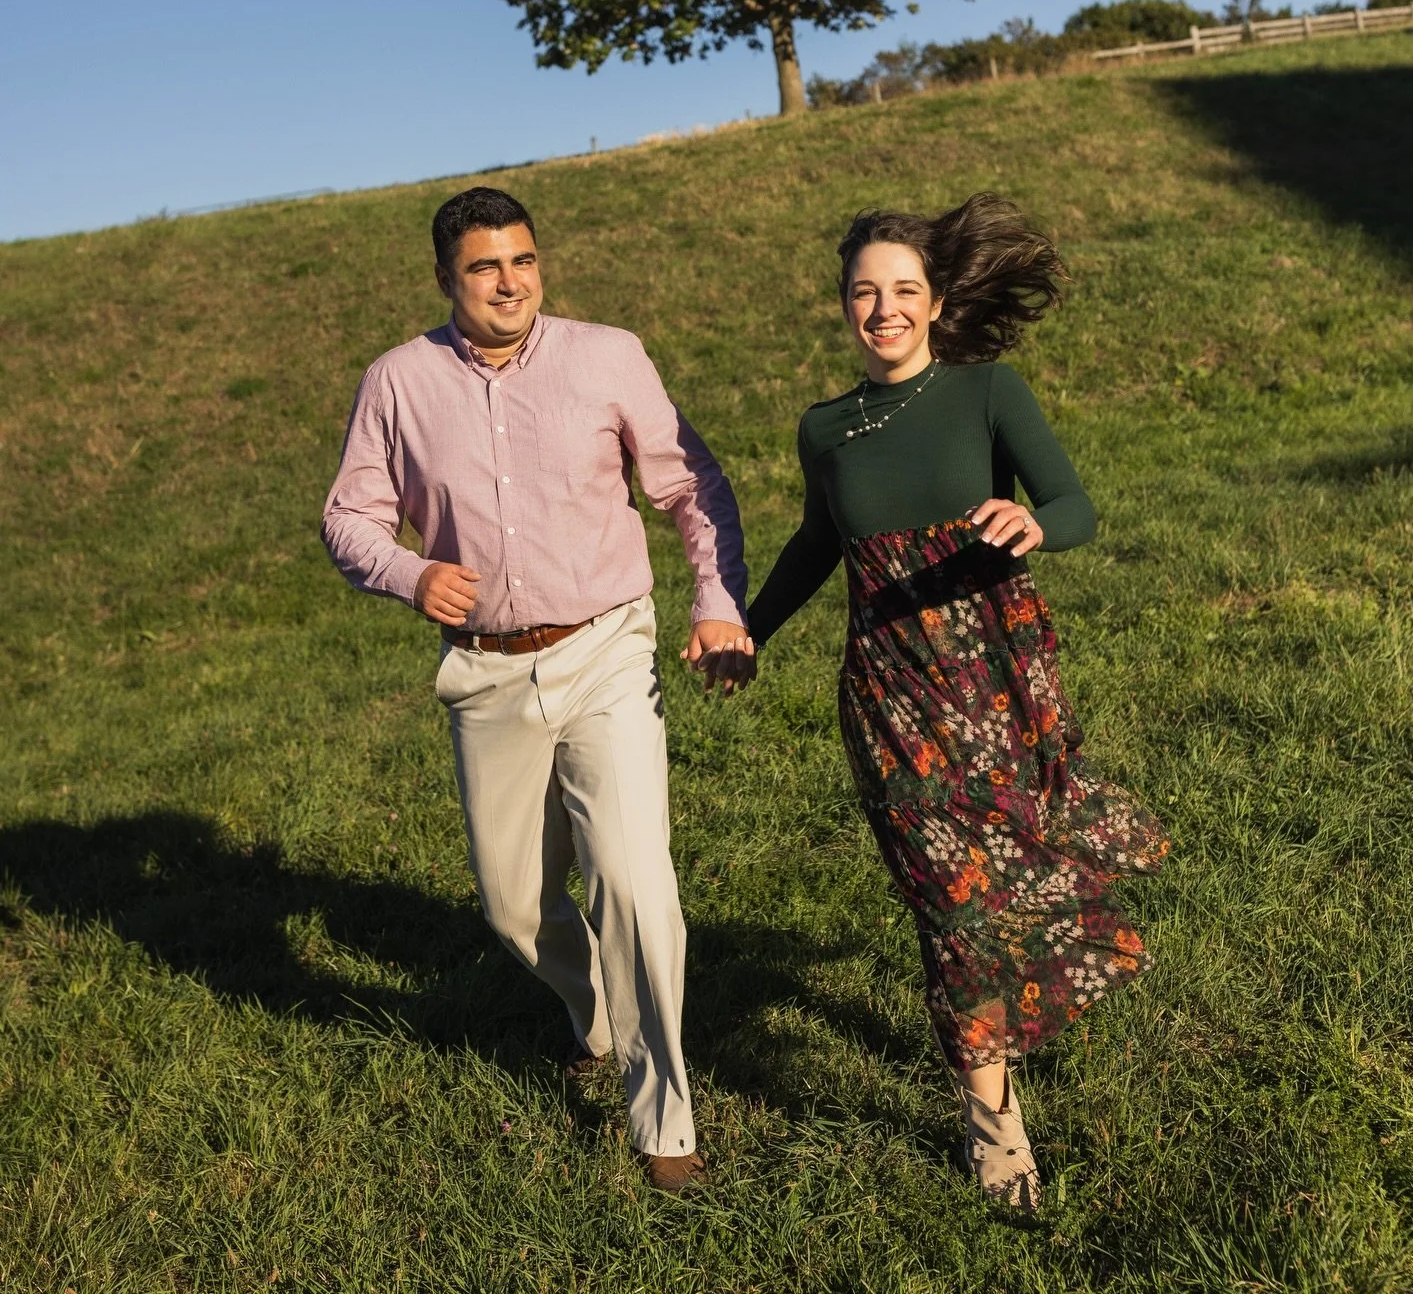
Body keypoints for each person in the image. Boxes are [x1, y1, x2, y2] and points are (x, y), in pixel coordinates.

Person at [321, 185, 754, 1194]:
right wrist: (409, 573)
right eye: (484, 265)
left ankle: (665, 1121)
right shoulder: (396, 381)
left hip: (607, 648)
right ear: (446, 279)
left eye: (522, 259)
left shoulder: (608, 356)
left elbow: (691, 483)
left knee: (635, 882)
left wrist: (714, 596)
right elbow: (348, 516)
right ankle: (596, 1015)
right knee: (515, 907)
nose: (509, 281)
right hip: (484, 672)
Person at [745, 194, 1168, 1211]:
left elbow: (1076, 506)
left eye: (902, 291)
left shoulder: (987, 392)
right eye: (864, 293)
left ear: (935, 302)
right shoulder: (826, 428)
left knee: (1020, 869)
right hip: (890, 696)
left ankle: (1017, 999)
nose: (882, 310)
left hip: (1000, 679)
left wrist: (1031, 522)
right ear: (842, 306)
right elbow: (816, 545)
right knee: (951, 911)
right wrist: (748, 631)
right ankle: (995, 1128)